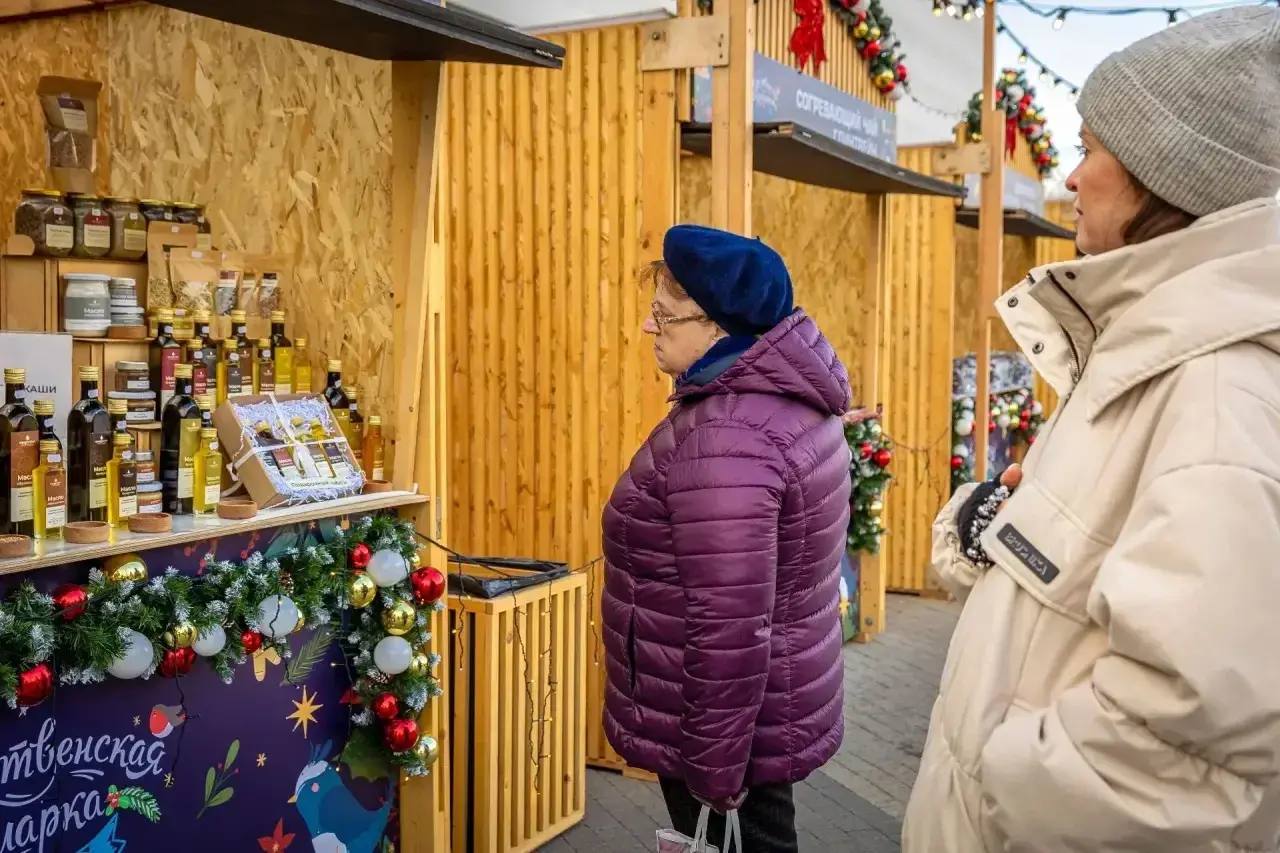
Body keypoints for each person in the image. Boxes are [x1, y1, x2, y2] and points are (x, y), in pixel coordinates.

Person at [904, 9, 1280, 851]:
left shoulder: (1215, 394)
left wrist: (996, 794)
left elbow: (1180, 750)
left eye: (1090, 148)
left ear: (1162, 172)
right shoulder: (1153, 356)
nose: (1071, 178)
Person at [601, 225, 852, 851]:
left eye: (665, 315)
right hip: (759, 713)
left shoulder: (729, 436)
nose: (648, 327)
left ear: (718, 327)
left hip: (722, 732)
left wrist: (715, 771)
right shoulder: (778, 404)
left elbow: (730, 623)